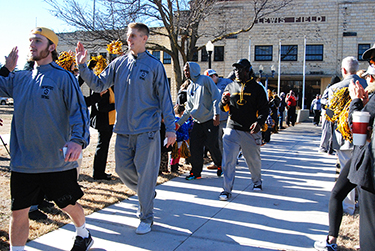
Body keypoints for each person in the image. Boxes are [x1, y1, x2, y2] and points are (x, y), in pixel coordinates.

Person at [76, 22, 176, 235]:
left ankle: (146, 217)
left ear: (144, 38)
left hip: (147, 130)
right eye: (128, 36)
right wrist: (82, 67)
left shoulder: (154, 65)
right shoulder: (118, 63)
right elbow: (99, 84)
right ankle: (146, 192)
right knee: (122, 170)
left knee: (146, 175)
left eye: (132, 36)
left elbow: (165, 99)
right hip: (122, 130)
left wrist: (170, 129)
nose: (128, 40)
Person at [0, 28, 91, 251]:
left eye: (38, 41)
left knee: (67, 204)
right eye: (30, 41)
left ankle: (83, 233)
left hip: (55, 162)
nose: (32, 45)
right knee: (18, 211)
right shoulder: (18, 78)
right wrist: (6, 69)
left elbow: (78, 112)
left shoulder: (63, 77)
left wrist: (77, 140)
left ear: (51, 47)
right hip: (23, 162)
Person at [218, 59, 269, 201]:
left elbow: (265, 109)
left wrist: (259, 122)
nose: (237, 72)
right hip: (231, 129)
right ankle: (226, 190)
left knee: (253, 160)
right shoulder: (230, 86)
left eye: (240, 69)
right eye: (235, 69)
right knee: (228, 161)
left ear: (248, 70)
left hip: (250, 131)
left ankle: (257, 182)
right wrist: (224, 102)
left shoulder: (257, 88)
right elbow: (223, 108)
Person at [176, 62, 222, 180]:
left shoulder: (205, 80)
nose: (186, 72)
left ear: (194, 69)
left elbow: (216, 96)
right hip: (197, 121)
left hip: (210, 120)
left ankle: (220, 164)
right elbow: (188, 109)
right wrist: (179, 123)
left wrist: (216, 114)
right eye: (185, 70)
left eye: (188, 70)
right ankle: (196, 173)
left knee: (212, 145)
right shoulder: (190, 87)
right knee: (195, 147)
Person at [204, 68, 232, 168]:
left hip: (227, 118)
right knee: (217, 142)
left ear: (214, 76)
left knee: (228, 141)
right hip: (215, 119)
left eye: (210, 78)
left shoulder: (226, 82)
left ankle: (230, 160)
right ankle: (219, 163)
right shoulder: (208, 86)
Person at [88, 87, 115, 180]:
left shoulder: (111, 87)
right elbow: (101, 107)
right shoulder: (100, 87)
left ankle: (100, 171)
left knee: (104, 147)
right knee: (102, 147)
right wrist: (116, 105)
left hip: (110, 121)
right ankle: (98, 173)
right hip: (103, 121)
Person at [319, 75, 341, 153]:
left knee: (333, 131)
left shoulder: (335, 89)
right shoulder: (329, 89)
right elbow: (323, 101)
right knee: (326, 130)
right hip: (327, 113)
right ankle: (323, 147)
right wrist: (330, 105)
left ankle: (331, 147)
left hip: (333, 112)